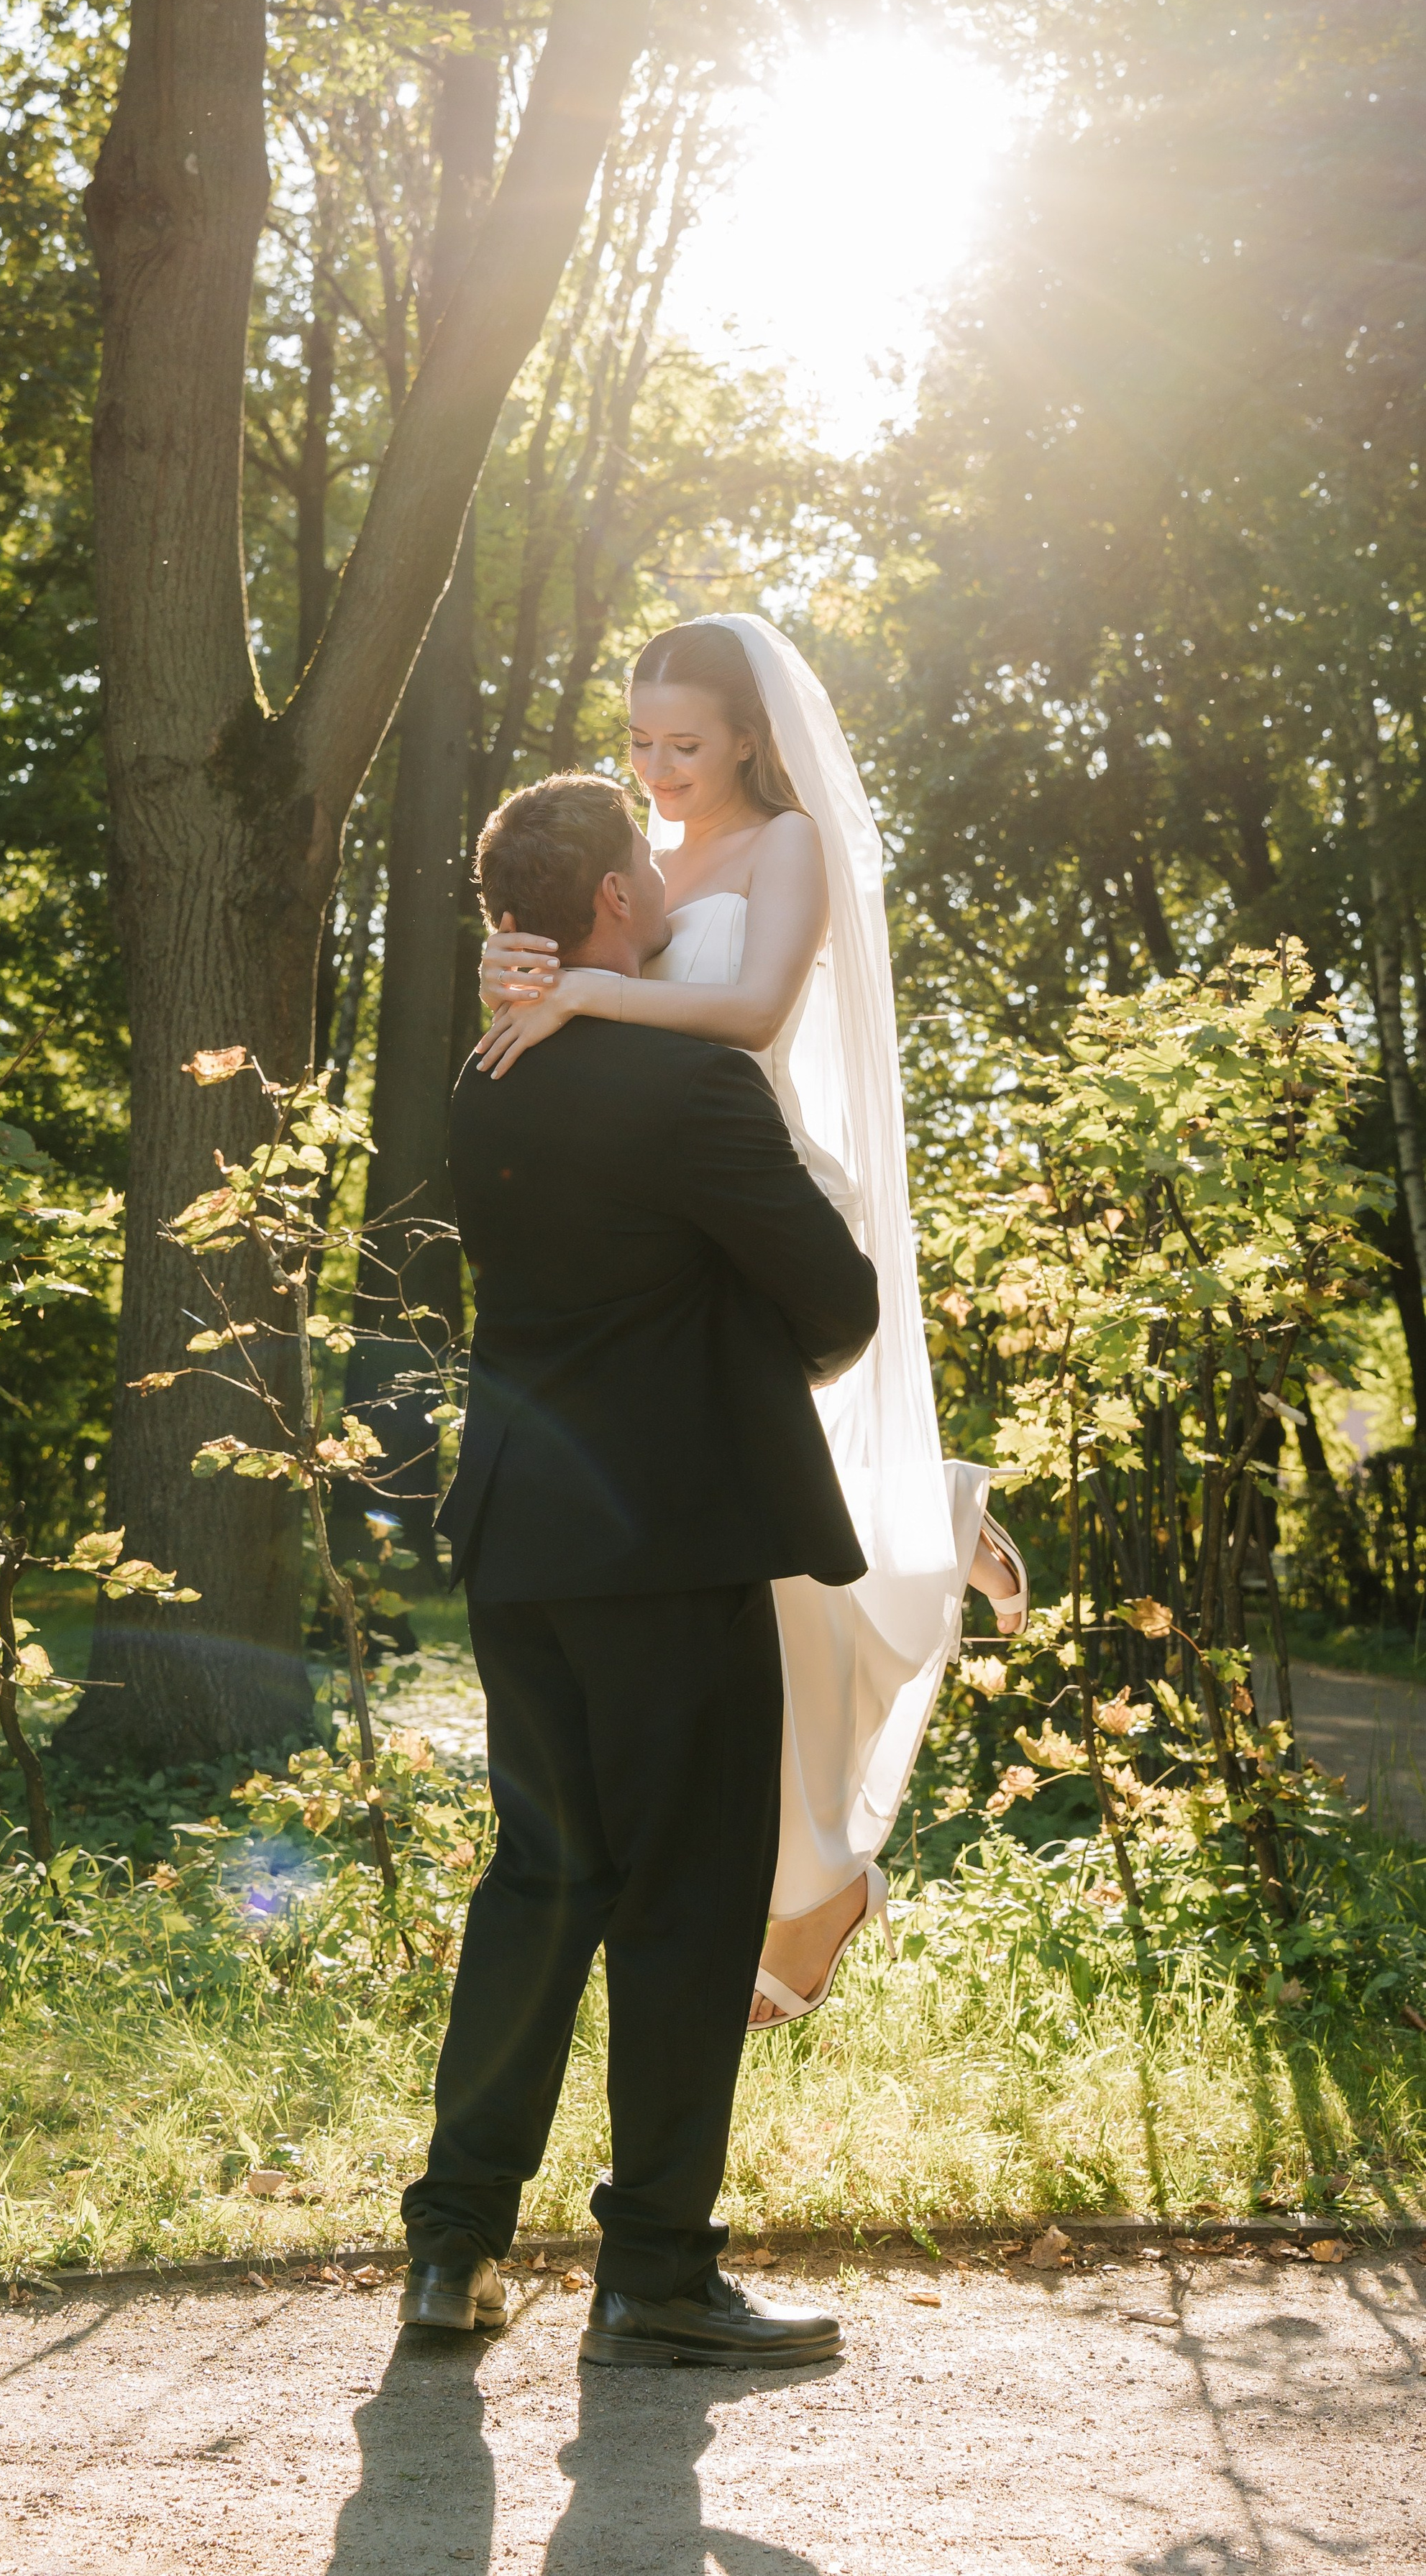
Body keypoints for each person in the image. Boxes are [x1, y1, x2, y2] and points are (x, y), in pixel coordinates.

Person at [475, 615, 1029, 2028]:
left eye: (684, 742)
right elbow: (582, 988)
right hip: (665, 1217)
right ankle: (806, 1880)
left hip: (762, 1181)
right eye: (639, 742)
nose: (657, 768)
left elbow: (757, 1003)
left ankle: (927, 1526)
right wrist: (524, 986)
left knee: (768, 1560)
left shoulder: (782, 845)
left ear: (742, 738)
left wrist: (597, 992)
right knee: (746, 1585)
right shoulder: (634, 865)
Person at [399, 773, 879, 2368]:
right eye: (642, 868)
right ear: (611, 904)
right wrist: (731, 1351)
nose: (666, 880)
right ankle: (654, 2276)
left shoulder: (487, 1078)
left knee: (540, 1882)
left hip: (518, 1536)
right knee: (683, 1900)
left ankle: (452, 2250)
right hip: (672, 1541)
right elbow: (836, 1303)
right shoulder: (690, 1089)